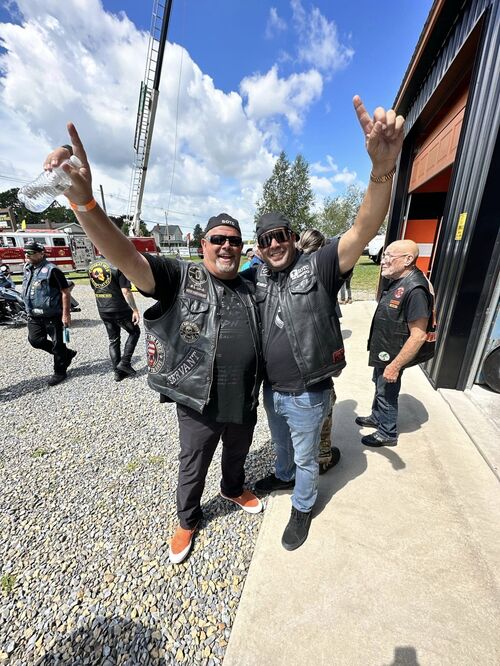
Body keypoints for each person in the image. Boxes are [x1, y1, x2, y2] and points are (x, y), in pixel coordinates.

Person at [43, 126, 264, 565]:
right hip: (198, 399)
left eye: (234, 241)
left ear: (242, 248)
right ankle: (187, 518)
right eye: (218, 239)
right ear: (203, 244)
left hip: (244, 395)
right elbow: (126, 256)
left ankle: (233, 487)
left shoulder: (250, 285)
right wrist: (85, 204)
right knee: (193, 461)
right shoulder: (180, 276)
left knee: (238, 451)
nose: (226, 246)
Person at [247, 95, 405, 551]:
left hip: (307, 393)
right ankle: (282, 477)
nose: (274, 244)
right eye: (265, 239)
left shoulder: (317, 266)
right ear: (259, 246)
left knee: (307, 456)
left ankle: (303, 505)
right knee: (282, 448)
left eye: (280, 236)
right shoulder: (256, 277)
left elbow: (362, 228)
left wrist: (382, 170)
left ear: (294, 238)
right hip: (272, 391)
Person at [356, 239, 436, 446]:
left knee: (387, 392)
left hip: (394, 354)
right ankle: (377, 417)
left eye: (389, 256)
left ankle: (387, 432)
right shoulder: (399, 279)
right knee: (379, 385)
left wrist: (395, 366)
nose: (383, 260)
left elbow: (418, 335)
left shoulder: (415, 290)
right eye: (384, 255)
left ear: (408, 260)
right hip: (385, 349)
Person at [296, 229, 342, 474]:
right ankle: (322, 458)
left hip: (293, 362)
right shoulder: (323, 274)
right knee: (324, 411)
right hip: (318, 360)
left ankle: (300, 458)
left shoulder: (288, 273)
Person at [21, 241, 77, 386]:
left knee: (58, 344)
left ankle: (60, 372)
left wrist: (66, 314)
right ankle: (66, 354)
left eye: (31, 252)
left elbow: (65, 292)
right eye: (26, 252)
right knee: (35, 341)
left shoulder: (52, 270)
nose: (27, 255)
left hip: (52, 315)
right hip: (34, 315)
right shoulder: (27, 268)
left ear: (41, 253)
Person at [88, 256, 141, 381]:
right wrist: (135, 309)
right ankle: (125, 362)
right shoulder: (119, 264)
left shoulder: (92, 266)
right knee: (135, 332)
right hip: (119, 308)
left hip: (103, 308)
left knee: (113, 340)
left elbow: (94, 287)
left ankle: (118, 373)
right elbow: (126, 291)